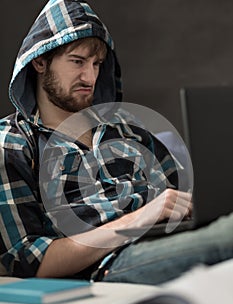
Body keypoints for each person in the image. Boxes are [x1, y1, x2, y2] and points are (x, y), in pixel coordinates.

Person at [0, 0, 233, 284]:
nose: (90, 76)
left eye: (97, 64)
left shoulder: (129, 131)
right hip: (112, 262)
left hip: (176, 238)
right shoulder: (12, 143)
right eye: (77, 61)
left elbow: (190, 201)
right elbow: (27, 261)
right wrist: (138, 219)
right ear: (39, 61)